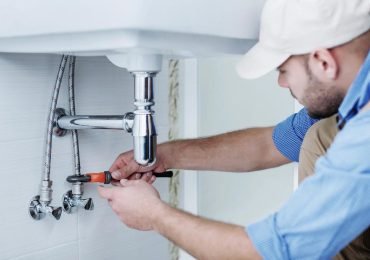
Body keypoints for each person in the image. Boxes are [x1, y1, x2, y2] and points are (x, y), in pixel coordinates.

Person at [98, 0, 370, 258]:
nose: (282, 84)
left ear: (324, 62)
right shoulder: (354, 96)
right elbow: (270, 145)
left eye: (283, 70)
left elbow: (277, 252)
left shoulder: (364, 136)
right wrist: (166, 155)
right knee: (320, 136)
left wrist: (155, 215)